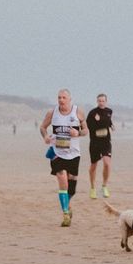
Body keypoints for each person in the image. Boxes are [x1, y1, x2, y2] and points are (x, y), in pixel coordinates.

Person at [39, 89, 88, 227]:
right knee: (62, 180)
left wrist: (77, 132)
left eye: (64, 97)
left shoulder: (78, 112)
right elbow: (42, 127)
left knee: (71, 189)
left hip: (73, 154)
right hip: (57, 153)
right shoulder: (52, 113)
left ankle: (67, 203)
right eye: (59, 97)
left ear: (69, 99)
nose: (61, 100)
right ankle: (65, 213)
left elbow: (86, 130)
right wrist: (46, 136)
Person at [85, 93, 113, 199]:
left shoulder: (109, 111)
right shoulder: (92, 113)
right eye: (99, 101)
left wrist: (111, 125)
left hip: (106, 142)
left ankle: (104, 186)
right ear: (97, 101)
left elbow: (108, 121)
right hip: (95, 143)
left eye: (103, 101)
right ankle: (92, 188)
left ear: (106, 101)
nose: (101, 102)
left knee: (107, 163)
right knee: (94, 166)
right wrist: (96, 121)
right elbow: (87, 126)